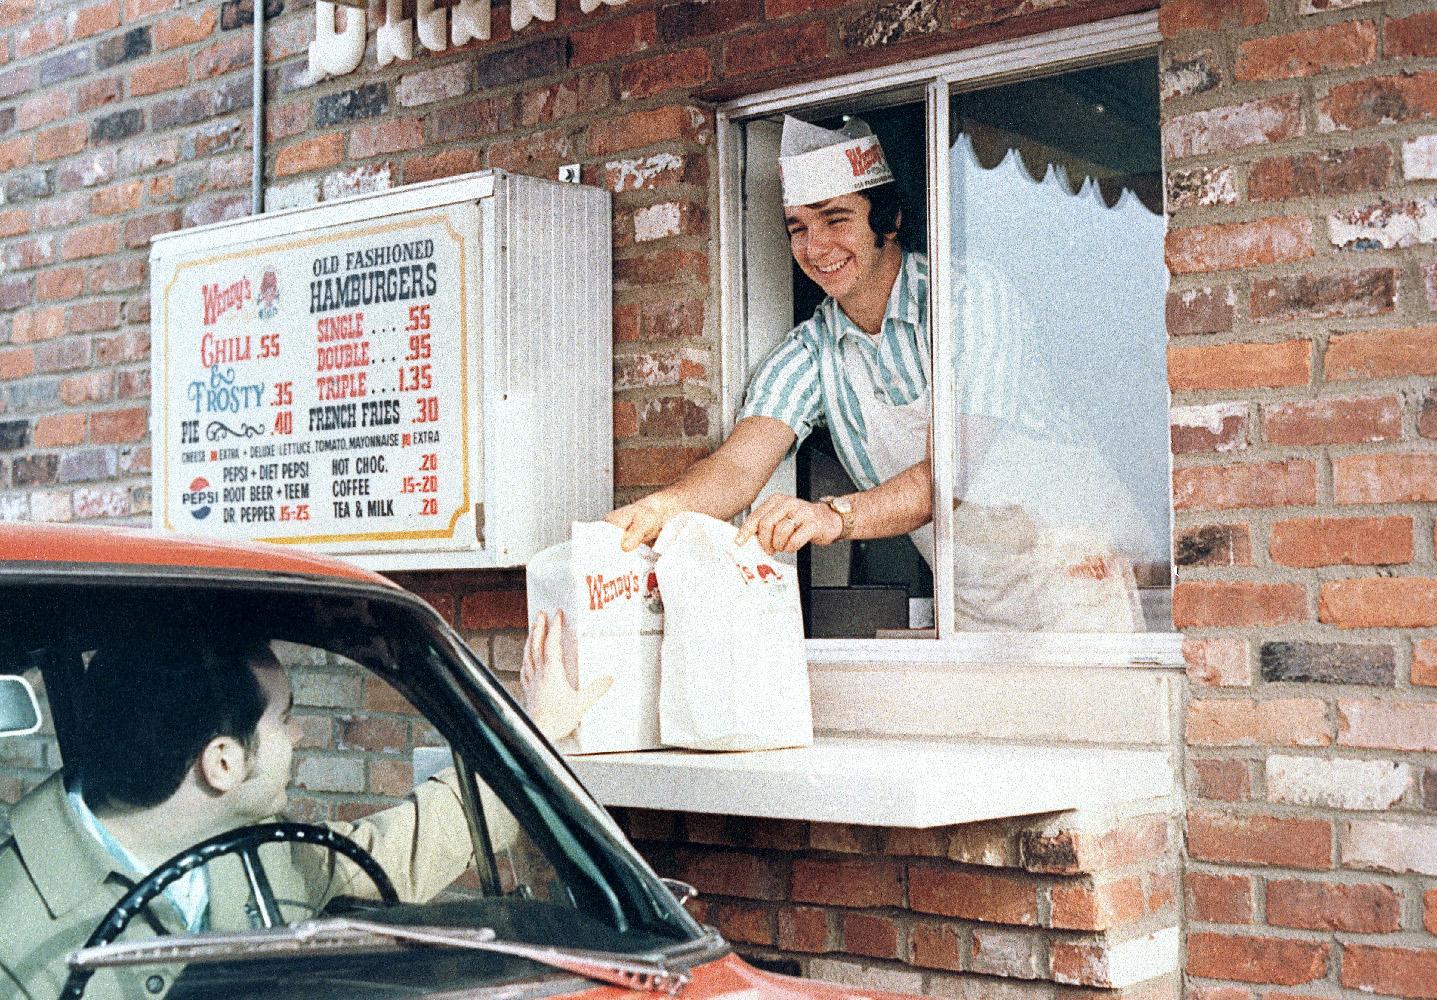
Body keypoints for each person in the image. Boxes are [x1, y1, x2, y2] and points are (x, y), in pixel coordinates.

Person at [0, 632, 562, 1000]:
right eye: (284, 718)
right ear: (224, 762)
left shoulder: (265, 850)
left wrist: (534, 735)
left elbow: (399, 850)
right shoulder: (11, 923)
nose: (299, 734)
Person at [608, 116, 933, 562]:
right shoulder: (813, 349)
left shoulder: (960, 303)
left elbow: (960, 470)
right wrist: (658, 510)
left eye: (835, 219)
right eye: (798, 229)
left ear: (889, 220)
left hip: (1039, 557)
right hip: (960, 587)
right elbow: (739, 467)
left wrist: (833, 517)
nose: (815, 248)